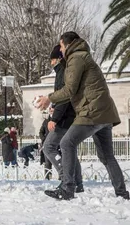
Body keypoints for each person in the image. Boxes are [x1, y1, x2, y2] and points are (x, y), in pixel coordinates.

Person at [37, 32, 129, 200]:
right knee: (107, 156)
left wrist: (48, 98)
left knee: (66, 143)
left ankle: (68, 188)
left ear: (68, 44)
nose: (61, 50)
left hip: (92, 112)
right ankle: (122, 193)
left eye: (62, 47)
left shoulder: (76, 58)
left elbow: (69, 90)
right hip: (105, 113)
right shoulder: (84, 56)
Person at [43, 44, 83, 192]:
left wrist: (55, 118)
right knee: (70, 149)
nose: (51, 63)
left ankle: (66, 177)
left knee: (49, 147)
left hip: (65, 117)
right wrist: (54, 105)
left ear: (58, 59)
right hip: (71, 115)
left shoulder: (62, 72)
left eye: (52, 60)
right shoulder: (68, 71)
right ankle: (77, 183)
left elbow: (65, 97)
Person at [39, 111, 52, 180]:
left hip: (58, 144)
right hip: (47, 143)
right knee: (47, 162)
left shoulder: (60, 120)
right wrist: (44, 139)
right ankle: (47, 177)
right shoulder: (46, 121)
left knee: (59, 161)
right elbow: (41, 132)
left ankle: (61, 177)